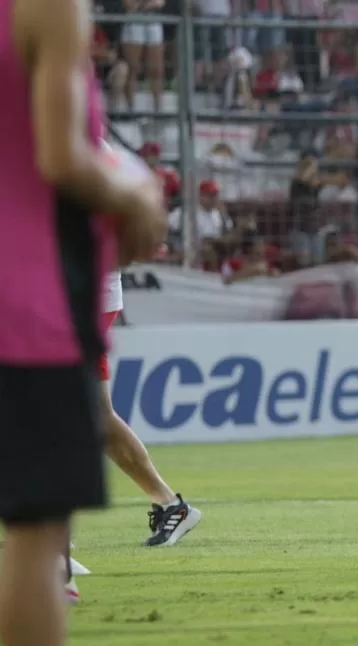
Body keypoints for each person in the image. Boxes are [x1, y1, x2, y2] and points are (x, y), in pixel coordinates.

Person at [0, 0, 168, 643]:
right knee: (37, 535)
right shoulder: (48, 7)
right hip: (25, 304)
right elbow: (62, 159)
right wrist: (138, 193)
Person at [98, 270, 203, 549]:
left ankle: (48, 529)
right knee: (97, 416)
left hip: (76, 291)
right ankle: (170, 505)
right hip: (63, 289)